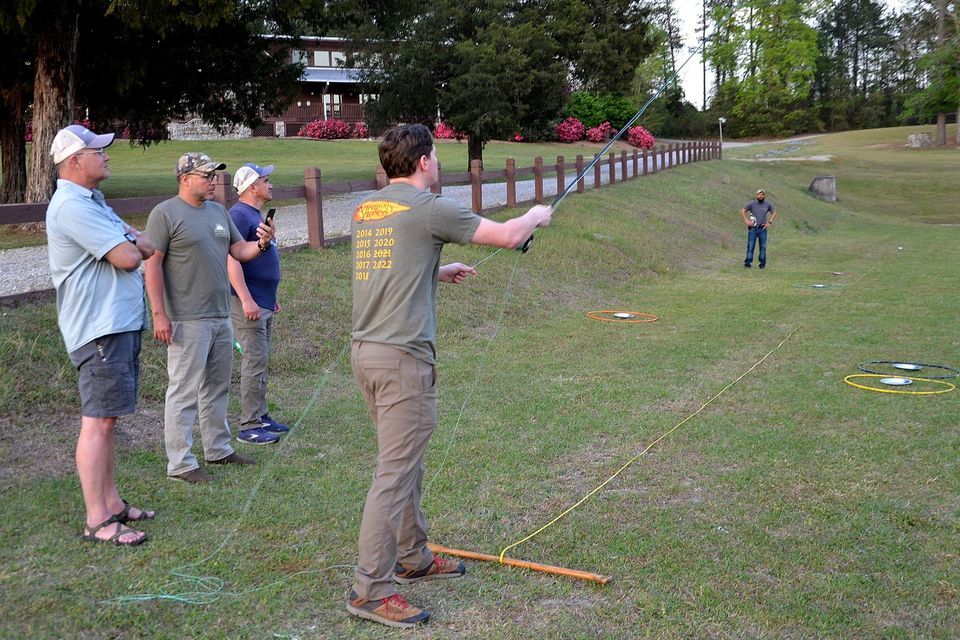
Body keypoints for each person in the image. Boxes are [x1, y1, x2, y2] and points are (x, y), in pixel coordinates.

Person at [346, 124, 553, 629]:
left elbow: (390, 268)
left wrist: (436, 269)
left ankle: (413, 557)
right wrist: (534, 215)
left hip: (368, 354)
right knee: (393, 475)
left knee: (405, 463)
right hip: (402, 360)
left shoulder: (368, 209)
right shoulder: (429, 207)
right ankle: (370, 591)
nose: (437, 163)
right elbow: (506, 236)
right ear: (422, 162)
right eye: (435, 155)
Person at [46, 124, 158, 545]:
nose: (107, 155)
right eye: (98, 150)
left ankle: (111, 503)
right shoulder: (73, 207)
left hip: (116, 323)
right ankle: (97, 519)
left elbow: (143, 243)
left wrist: (130, 240)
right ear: (75, 161)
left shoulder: (94, 202)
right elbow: (131, 255)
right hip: (98, 328)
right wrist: (129, 241)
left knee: (108, 420)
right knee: (97, 420)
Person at [144, 152, 276, 483]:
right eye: (207, 176)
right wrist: (159, 314)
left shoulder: (218, 212)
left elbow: (239, 252)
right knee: (184, 390)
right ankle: (181, 463)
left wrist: (261, 243)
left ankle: (218, 449)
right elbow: (153, 264)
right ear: (185, 179)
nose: (214, 180)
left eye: (215, 175)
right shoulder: (165, 214)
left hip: (220, 315)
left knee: (217, 386)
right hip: (187, 318)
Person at [227, 163, 288, 445]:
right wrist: (247, 298)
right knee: (254, 361)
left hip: (263, 301)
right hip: (247, 303)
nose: (270, 184)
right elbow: (231, 258)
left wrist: (269, 297)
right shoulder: (238, 215)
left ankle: (261, 416)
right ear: (252, 187)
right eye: (266, 180)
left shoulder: (254, 214)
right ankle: (249, 425)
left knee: (261, 359)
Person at [740, 188, 776, 269]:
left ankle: (762, 265)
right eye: (759, 194)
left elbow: (774, 213)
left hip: (762, 229)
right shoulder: (752, 204)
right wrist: (746, 221)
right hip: (753, 228)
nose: (760, 196)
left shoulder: (768, 205)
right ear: (756, 195)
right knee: (750, 246)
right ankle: (747, 264)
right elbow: (742, 211)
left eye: (762, 194)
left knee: (762, 247)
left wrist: (769, 222)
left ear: (764, 196)